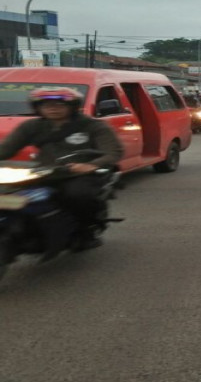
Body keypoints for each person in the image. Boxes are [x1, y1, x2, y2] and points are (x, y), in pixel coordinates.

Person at [0, 87, 124, 256]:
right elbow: (6, 150)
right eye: (46, 104)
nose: (53, 108)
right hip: (44, 172)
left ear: (72, 106)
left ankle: (85, 231)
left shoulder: (92, 125)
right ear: (37, 108)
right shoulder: (31, 126)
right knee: (9, 195)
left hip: (79, 174)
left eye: (60, 104)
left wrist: (92, 165)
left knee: (77, 194)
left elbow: (113, 152)